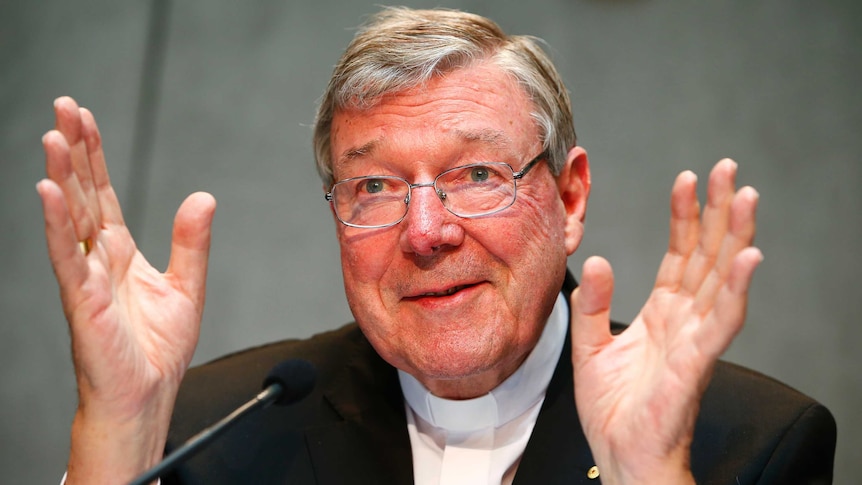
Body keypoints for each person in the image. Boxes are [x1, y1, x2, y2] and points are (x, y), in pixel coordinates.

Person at [38, 7, 835, 485]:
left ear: (569, 194)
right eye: (376, 187)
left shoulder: (754, 441)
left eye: (479, 172)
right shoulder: (214, 432)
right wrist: (120, 433)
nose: (426, 232)